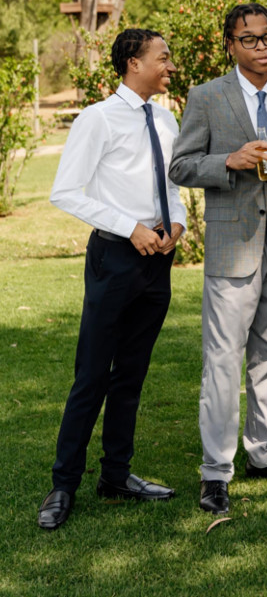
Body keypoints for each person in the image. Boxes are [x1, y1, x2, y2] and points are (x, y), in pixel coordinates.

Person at [169, 3, 267, 515]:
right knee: (222, 362)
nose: (262, 46)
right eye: (250, 39)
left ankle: (264, 453)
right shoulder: (206, 96)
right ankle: (216, 472)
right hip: (230, 250)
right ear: (230, 45)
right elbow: (181, 166)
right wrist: (228, 161)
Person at [39, 29, 186, 530]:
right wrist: (130, 228)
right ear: (133, 63)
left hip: (157, 261)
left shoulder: (165, 118)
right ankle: (63, 485)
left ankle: (116, 476)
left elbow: (172, 184)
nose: (171, 66)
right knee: (92, 375)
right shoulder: (96, 118)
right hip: (114, 259)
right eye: (163, 58)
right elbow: (65, 191)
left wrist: (178, 223)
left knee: (132, 374)